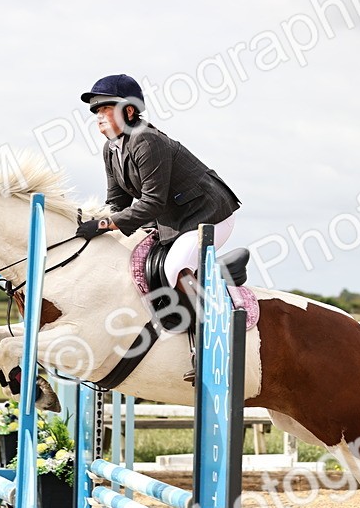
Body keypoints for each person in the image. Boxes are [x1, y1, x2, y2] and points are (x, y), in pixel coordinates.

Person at [75, 73, 240, 381]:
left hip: (209, 215)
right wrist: (98, 222)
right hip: (172, 222)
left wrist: (103, 224)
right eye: (96, 112)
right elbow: (117, 202)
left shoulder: (146, 140)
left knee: (176, 266)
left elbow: (150, 203)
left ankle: (213, 346)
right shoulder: (112, 149)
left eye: (105, 108)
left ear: (129, 110)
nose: (99, 117)